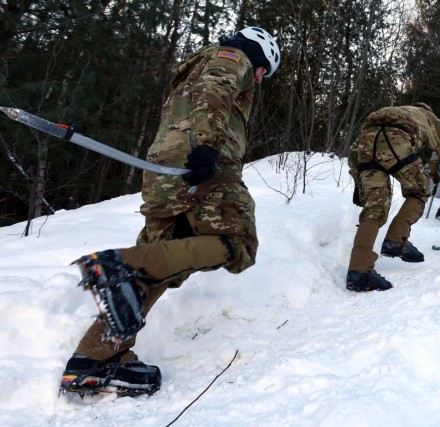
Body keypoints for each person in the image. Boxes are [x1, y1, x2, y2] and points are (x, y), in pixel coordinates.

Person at [59, 27, 281, 397]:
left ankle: (93, 358)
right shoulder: (234, 57)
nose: (260, 79)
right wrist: (209, 148)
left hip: (164, 171)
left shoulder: (193, 66)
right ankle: (122, 262)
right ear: (259, 54)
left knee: (158, 266)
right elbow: (216, 92)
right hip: (203, 167)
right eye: (264, 71)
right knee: (237, 244)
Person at [346, 103, 440, 292]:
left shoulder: (389, 112)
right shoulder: (428, 117)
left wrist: (359, 182)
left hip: (366, 145)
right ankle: (396, 239)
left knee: (374, 209)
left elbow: (355, 149)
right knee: (420, 191)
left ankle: (359, 271)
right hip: (397, 142)